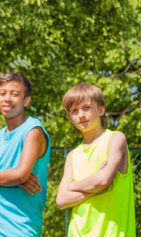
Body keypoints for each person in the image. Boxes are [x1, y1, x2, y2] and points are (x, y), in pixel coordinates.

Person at [0, 72, 50, 236]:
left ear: (26, 101)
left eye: (15, 94)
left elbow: (20, 175)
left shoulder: (33, 130)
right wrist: (12, 177)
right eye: (3, 93)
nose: (7, 98)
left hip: (21, 230)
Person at [56, 83, 135, 236]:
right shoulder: (72, 155)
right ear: (70, 117)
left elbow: (103, 180)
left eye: (86, 108)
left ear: (101, 110)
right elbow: (61, 200)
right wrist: (95, 185)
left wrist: (72, 185)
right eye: (74, 111)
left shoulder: (115, 138)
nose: (81, 115)